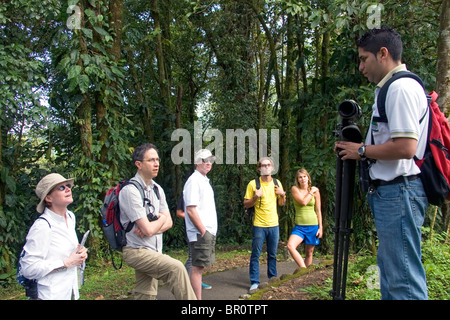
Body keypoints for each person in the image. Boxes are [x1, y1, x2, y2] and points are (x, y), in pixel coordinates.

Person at [335, 26, 429, 300]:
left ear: (383, 54)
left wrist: (362, 151)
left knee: (403, 283)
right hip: (393, 194)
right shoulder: (391, 89)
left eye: (364, 58)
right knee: (391, 277)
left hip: (399, 192)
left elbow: (406, 147)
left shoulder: (399, 88)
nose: (361, 66)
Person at [119, 143, 196, 300]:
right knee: (176, 268)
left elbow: (169, 223)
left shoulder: (157, 189)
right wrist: (160, 219)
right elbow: (152, 227)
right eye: (151, 160)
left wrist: (154, 226)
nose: (156, 164)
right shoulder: (130, 191)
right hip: (136, 250)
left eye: (157, 159)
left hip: (153, 250)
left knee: (145, 294)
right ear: (138, 164)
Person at [20, 173, 88, 300]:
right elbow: (28, 269)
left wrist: (80, 254)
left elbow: (68, 253)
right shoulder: (42, 226)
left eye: (68, 186)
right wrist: (66, 262)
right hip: (49, 295)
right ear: (48, 198)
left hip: (68, 291)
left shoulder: (70, 217)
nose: (68, 189)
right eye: (61, 188)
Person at [244, 157, 286, 292]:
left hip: (274, 224)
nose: (266, 167)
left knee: (272, 254)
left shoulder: (277, 182)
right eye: (263, 165)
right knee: (256, 254)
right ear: (259, 169)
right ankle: (254, 282)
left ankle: (272, 278)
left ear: (272, 168)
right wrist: (256, 196)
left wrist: (282, 195)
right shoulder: (253, 184)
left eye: (268, 165)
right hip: (259, 225)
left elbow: (281, 204)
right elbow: (246, 204)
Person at [183, 149, 218, 300]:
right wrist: (203, 230)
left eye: (210, 160)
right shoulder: (194, 181)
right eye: (205, 160)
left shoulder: (203, 180)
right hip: (200, 232)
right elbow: (191, 209)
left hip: (206, 231)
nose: (208, 163)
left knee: (199, 266)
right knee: (196, 267)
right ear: (197, 162)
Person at [287, 168, 323, 269]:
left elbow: (318, 210)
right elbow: (303, 202)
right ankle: (303, 270)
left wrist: (321, 228)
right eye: (300, 177)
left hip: (313, 225)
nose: (303, 179)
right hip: (299, 227)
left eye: (304, 177)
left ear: (308, 178)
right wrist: (311, 192)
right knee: (290, 246)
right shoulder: (295, 189)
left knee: (309, 253)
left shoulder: (316, 192)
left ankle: (306, 276)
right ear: (297, 180)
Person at [176, 195, 212, 290]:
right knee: (193, 257)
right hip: (192, 230)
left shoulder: (202, 196)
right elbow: (179, 213)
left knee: (198, 258)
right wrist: (194, 217)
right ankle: (183, 282)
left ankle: (195, 281)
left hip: (202, 230)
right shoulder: (187, 194)